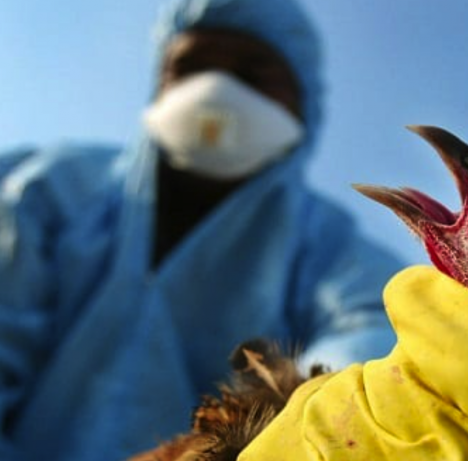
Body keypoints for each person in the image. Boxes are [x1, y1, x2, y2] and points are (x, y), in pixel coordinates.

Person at [0, 0, 403, 459]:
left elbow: (381, 330)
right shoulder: (50, 188)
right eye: (190, 66)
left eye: (253, 73)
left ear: (302, 102)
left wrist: (289, 418)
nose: (215, 90)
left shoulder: (327, 244)